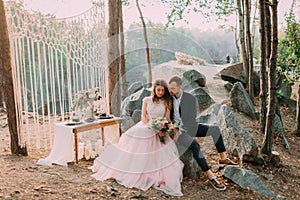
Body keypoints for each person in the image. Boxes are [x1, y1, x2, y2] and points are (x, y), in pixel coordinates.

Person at [89, 80, 184, 196]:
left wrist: (169, 128)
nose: (160, 92)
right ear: (154, 90)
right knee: (134, 139)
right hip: (146, 126)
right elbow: (143, 118)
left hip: (161, 128)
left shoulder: (166, 102)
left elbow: (168, 119)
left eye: (162, 90)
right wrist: (154, 128)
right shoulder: (147, 100)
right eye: (158, 90)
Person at [168, 76, 237, 191]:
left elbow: (190, 121)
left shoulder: (189, 98)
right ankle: (211, 175)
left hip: (190, 127)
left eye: (173, 88)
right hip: (176, 131)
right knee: (195, 145)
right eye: (170, 88)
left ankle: (223, 158)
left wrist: (183, 129)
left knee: (215, 129)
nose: (171, 90)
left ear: (180, 87)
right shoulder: (169, 99)